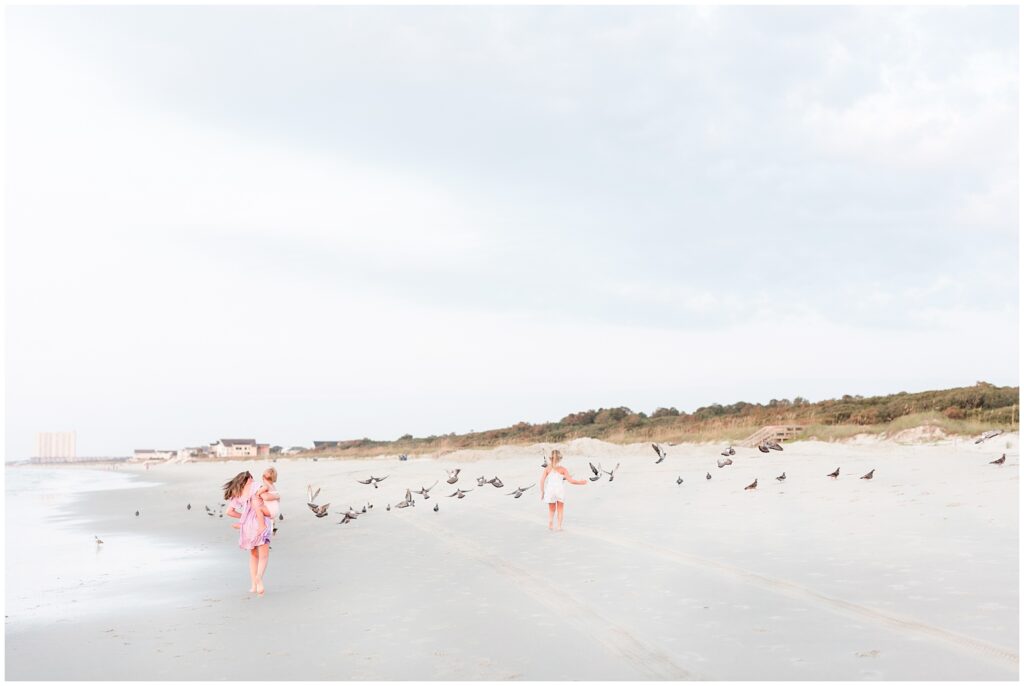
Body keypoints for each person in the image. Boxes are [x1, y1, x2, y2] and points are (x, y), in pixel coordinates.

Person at [222, 470, 272, 595]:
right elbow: (267, 494)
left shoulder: (237, 492)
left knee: (253, 555)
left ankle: (253, 586)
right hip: (261, 523)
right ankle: (259, 578)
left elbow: (229, 511)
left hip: (247, 526)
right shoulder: (256, 486)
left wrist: (244, 518)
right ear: (250, 477)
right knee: (264, 556)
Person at [539, 449, 587, 531]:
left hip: (550, 491)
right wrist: (581, 482)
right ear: (560, 459)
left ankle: (550, 522)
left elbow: (541, 480)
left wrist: (542, 492)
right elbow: (571, 481)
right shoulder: (563, 469)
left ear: (550, 458)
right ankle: (559, 526)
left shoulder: (547, 469)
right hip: (559, 490)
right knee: (560, 509)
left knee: (551, 509)